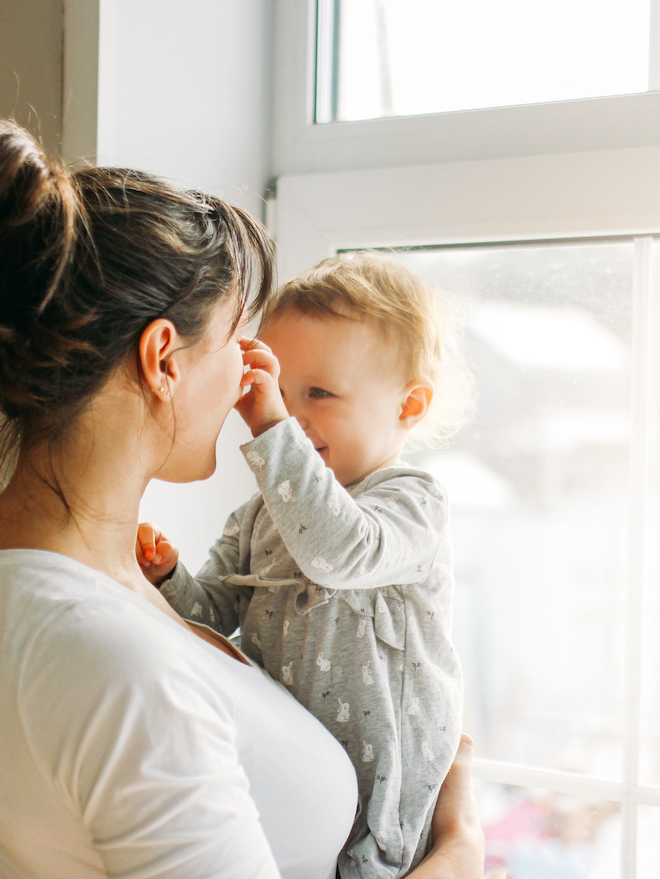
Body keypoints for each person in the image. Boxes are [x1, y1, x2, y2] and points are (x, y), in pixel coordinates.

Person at [0, 118, 484, 879]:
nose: (255, 376)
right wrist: (461, 855)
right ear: (163, 360)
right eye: (241, 339)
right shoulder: (117, 666)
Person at [137, 254, 472, 879]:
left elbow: (339, 550)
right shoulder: (263, 512)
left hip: (387, 797)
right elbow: (213, 616)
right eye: (278, 391)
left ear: (409, 407)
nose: (290, 415)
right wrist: (168, 578)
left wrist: (269, 425)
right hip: (298, 781)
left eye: (318, 393)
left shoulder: (411, 501)